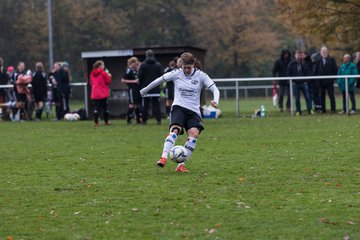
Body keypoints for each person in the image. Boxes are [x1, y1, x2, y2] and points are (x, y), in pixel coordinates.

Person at [140, 52, 220, 172]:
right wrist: (145, 90)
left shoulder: (201, 75)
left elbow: (215, 89)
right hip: (179, 107)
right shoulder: (176, 73)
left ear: (193, 64)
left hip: (193, 111)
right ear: (181, 65)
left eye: (189, 67)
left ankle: (180, 165)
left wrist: (215, 100)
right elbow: (159, 80)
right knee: (175, 130)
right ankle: (163, 158)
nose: (187, 70)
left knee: (194, 134)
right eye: (184, 67)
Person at [138, 49, 163, 125]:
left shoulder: (143, 65)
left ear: (146, 55)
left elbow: (140, 76)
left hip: (146, 88)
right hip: (155, 88)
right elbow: (161, 76)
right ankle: (158, 120)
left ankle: (144, 121)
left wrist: (141, 85)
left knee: (145, 106)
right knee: (157, 105)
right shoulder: (158, 65)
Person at [287, 50, 313, 116]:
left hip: (304, 83)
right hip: (296, 84)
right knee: (297, 98)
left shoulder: (304, 63)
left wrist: (306, 80)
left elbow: (307, 72)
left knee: (307, 97)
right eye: (297, 55)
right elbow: (288, 73)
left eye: (300, 55)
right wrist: (291, 81)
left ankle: (310, 109)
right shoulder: (291, 63)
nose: (298, 56)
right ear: (295, 55)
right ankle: (298, 111)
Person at [314, 46, 338, 113]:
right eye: (322, 51)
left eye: (325, 51)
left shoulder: (332, 59)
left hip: (329, 81)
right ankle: (323, 109)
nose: (324, 53)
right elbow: (315, 70)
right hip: (320, 81)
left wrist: (333, 79)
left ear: (327, 52)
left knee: (331, 96)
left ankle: (333, 109)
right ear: (320, 52)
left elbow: (335, 70)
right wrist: (317, 79)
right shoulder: (318, 60)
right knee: (321, 96)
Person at [90, 60, 112, 126]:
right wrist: (109, 76)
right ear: (99, 66)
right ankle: (106, 121)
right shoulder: (103, 73)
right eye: (103, 65)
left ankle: (96, 122)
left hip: (95, 93)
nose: (104, 66)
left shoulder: (92, 73)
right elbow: (108, 81)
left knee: (96, 108)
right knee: (105, 108)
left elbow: (91, 82)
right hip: (103, 93)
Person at [121, 56, 142, 125]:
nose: (137, 64)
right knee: (132, 104)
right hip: (132, 89)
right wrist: (134, 81)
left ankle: (138, 120)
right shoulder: (128, 70)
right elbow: (123, 80)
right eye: (136, 63)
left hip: (137, 89)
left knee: (137, 104)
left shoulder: (135, 70)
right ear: (132, 63)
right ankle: (128, 119)